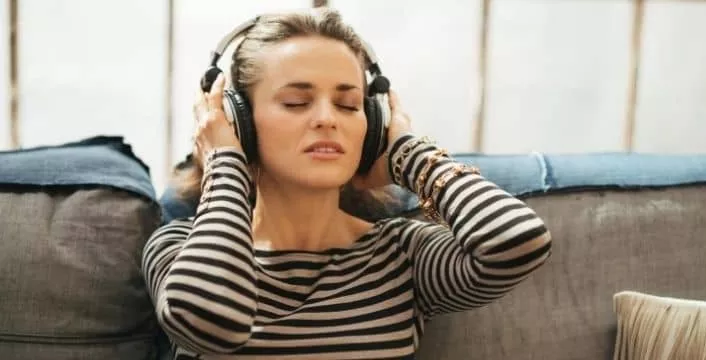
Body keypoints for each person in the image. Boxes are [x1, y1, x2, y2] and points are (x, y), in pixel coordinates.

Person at [142, 7, 552, 359]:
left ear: (372, 126)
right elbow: (211, 321)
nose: (327, 118)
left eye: (348, 104)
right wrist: (226, 159)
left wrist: (409, 153)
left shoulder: (401, 254)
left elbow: (517, 243)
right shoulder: (178, 247)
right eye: (296, 102)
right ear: (239, 122)